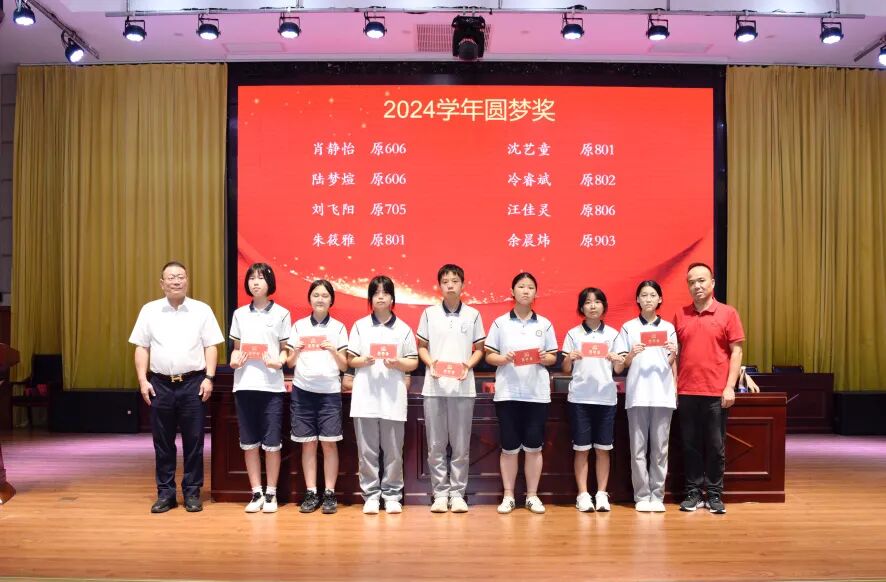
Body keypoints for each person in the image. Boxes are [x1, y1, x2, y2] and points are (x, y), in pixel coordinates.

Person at [129, 261, 224, 513]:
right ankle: (166, 494)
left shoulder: (201, 310)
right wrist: (142, 380)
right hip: (160, 384)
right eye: (171, 277)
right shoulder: (149, 310)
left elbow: (211, 346)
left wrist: (209, 377)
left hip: (193, 383)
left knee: (194, 441)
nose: (176, 281)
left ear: (187, 280)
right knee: (162, 442)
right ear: (162, 283)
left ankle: (192, 493)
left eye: (181, 276)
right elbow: (141, 347)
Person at [674, 262, 744, 514]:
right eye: (691, 282)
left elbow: (737, 352)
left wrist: (730, 387)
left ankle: (714, 494)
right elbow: (676, 354)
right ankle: (693, 492)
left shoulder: (728, 313)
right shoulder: (680, 315)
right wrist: (674, 386)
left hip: (716, 392)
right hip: (686, 391)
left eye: (701, 280)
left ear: (712, 283)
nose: (697, 286)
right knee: (690, 445)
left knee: (715, 446)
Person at [485, 272, 558, 515]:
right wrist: (503, 359)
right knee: (509, 447)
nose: (526, 291)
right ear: (512, 291)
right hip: (508, 393)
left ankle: (532, 496)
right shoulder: (500, 323)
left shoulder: (544, 324)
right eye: (521, 286)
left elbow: (553, 357)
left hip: (536, 394)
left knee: (534, 447)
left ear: (536, 293)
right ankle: (508, 496)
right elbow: (489, 356)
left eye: (530, 287)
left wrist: (545, 358)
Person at [416, 264, 485, 513]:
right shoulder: (429, 314)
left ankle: (457, 494)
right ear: (439, 286)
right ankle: (439, 494)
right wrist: (430, 363)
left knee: (460, 445)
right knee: (435, 445)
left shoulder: (473, 314)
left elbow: (480, 349)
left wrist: (468, 365)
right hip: (434, 386)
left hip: (463, 387)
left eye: (455, 281)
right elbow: (421, 346)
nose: (450, 285)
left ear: (462, 285)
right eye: (445, 281)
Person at [347, 276, 419, 514]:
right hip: (365, 397)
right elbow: (350, 359)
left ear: (392, 298)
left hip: (393, 397)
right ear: (370, 298)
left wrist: (398, 363)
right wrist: (364, 360)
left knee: (393, 450)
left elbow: (413, 362)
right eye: (376, 293)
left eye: (385, 293)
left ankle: (392, 494)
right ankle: (370, 495)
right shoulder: (360, 326)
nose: (380, 297)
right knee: (366, 451)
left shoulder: (403, 329)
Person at [228, 263, 291, 514]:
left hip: (271, 386)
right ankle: (256, 492)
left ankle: (271, 493)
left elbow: (286, 350)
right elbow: (236, 349)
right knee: (249, 442)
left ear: (270, 283)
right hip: (244, 384)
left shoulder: (282, 314)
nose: (255, 282)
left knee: (272, 442)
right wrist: (234, 360)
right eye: (252, 278)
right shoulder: (239, 314)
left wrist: (279, 362)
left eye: (261, 278)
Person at [615, 280, 678, 513]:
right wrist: (631, 353)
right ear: (637, 300)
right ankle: (641, 495)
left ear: (660, 299)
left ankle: (657, 495)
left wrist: (672, 353)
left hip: (662, 394)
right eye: (644, 295)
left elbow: (671, 362)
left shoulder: (669, 328)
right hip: (638, 394)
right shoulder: (628, 328)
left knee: (660, 449)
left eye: (652, 295)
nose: (648, 299)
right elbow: (621, 364)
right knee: (638, 449)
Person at [287, 280, 349, 514]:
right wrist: (296, 351)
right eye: (315, 295)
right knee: (308, 444)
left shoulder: (339, 328)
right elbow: (290, 363)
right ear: (309, 299)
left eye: (324, 295)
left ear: (331, 300)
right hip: (303, 392)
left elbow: (344, 365)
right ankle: (311, 492)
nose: (320, 299)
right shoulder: (299, 326)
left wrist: (333, 350)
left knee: (329, 444)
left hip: (329, 393)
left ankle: (330, 493)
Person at [561, 287, 624, 513]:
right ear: (581, 308)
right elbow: (566, 369)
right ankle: (583, 494)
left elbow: (619, 369)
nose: (593, 306)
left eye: (597, 301)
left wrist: (617, 359)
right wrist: (569, 358)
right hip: (579, 398)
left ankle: (601, 494)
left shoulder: (613, 335)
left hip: (606, 399)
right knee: (581, 448)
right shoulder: (573, 334)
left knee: (603, 449)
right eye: (588, 302)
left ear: (604, 306)